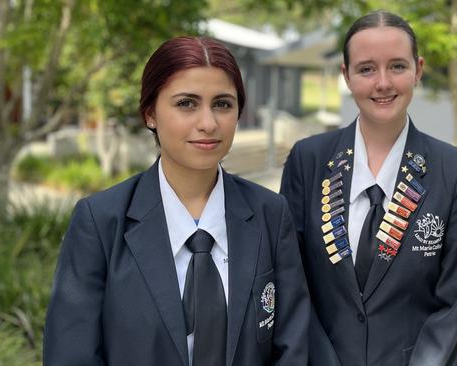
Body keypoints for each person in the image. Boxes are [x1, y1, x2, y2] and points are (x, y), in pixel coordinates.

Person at [44, 36, 310, 366]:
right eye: (187, 103)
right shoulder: (99, 222)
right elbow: (72, 355)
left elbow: (293, 347)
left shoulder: (270, 213)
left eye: (222, 104)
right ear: (150, 113)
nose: (208, 123)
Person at [280, 10, 457, 366]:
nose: (383, 83)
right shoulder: (308, 160)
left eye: (397, 66)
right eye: (366, 69)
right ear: (346, 75)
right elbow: (290, 281)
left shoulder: (455, 172)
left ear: (418, 70)